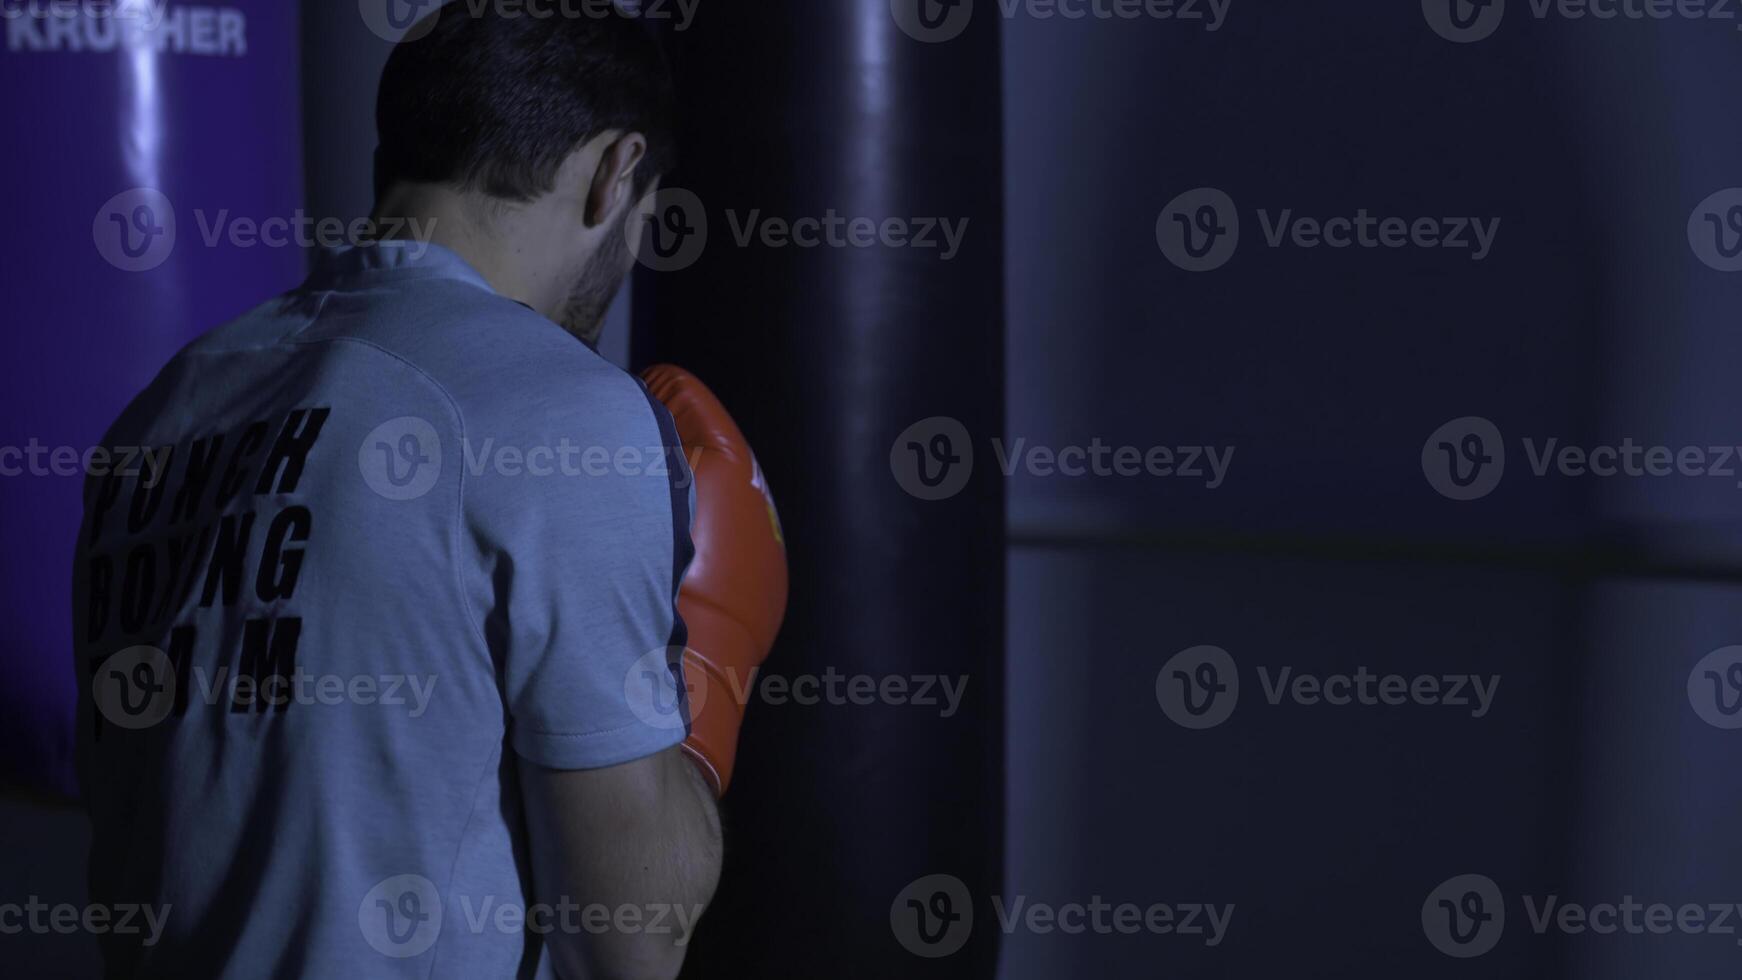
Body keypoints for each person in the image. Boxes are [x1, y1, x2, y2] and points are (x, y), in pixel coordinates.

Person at [72, 6, 721, 978]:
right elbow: (630, 935)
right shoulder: (564, 413)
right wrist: (708, 661)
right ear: (612, 172)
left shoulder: (160, 414)